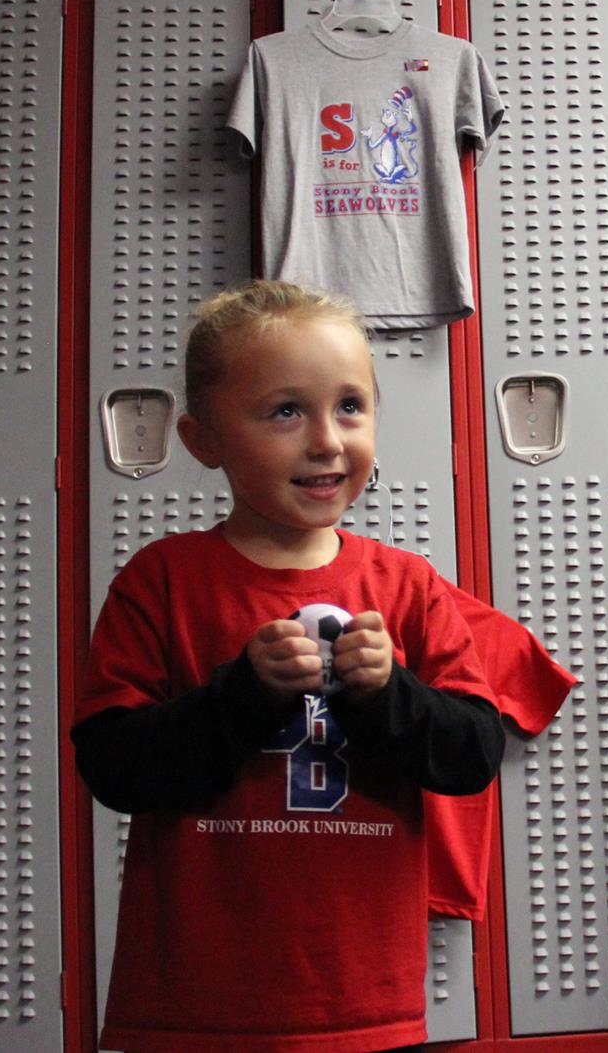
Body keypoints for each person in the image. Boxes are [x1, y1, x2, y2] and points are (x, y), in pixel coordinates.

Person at [72, 280, 505, 1053]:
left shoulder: (409, 586)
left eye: (350, 406)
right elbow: (113, 764)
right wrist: (242, 695)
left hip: (365, 1005)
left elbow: (473, 753)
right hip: (196, 1009)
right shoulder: (160, 580)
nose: (326, 440)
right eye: (284, 411)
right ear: (204, 440)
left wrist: (389, 693)